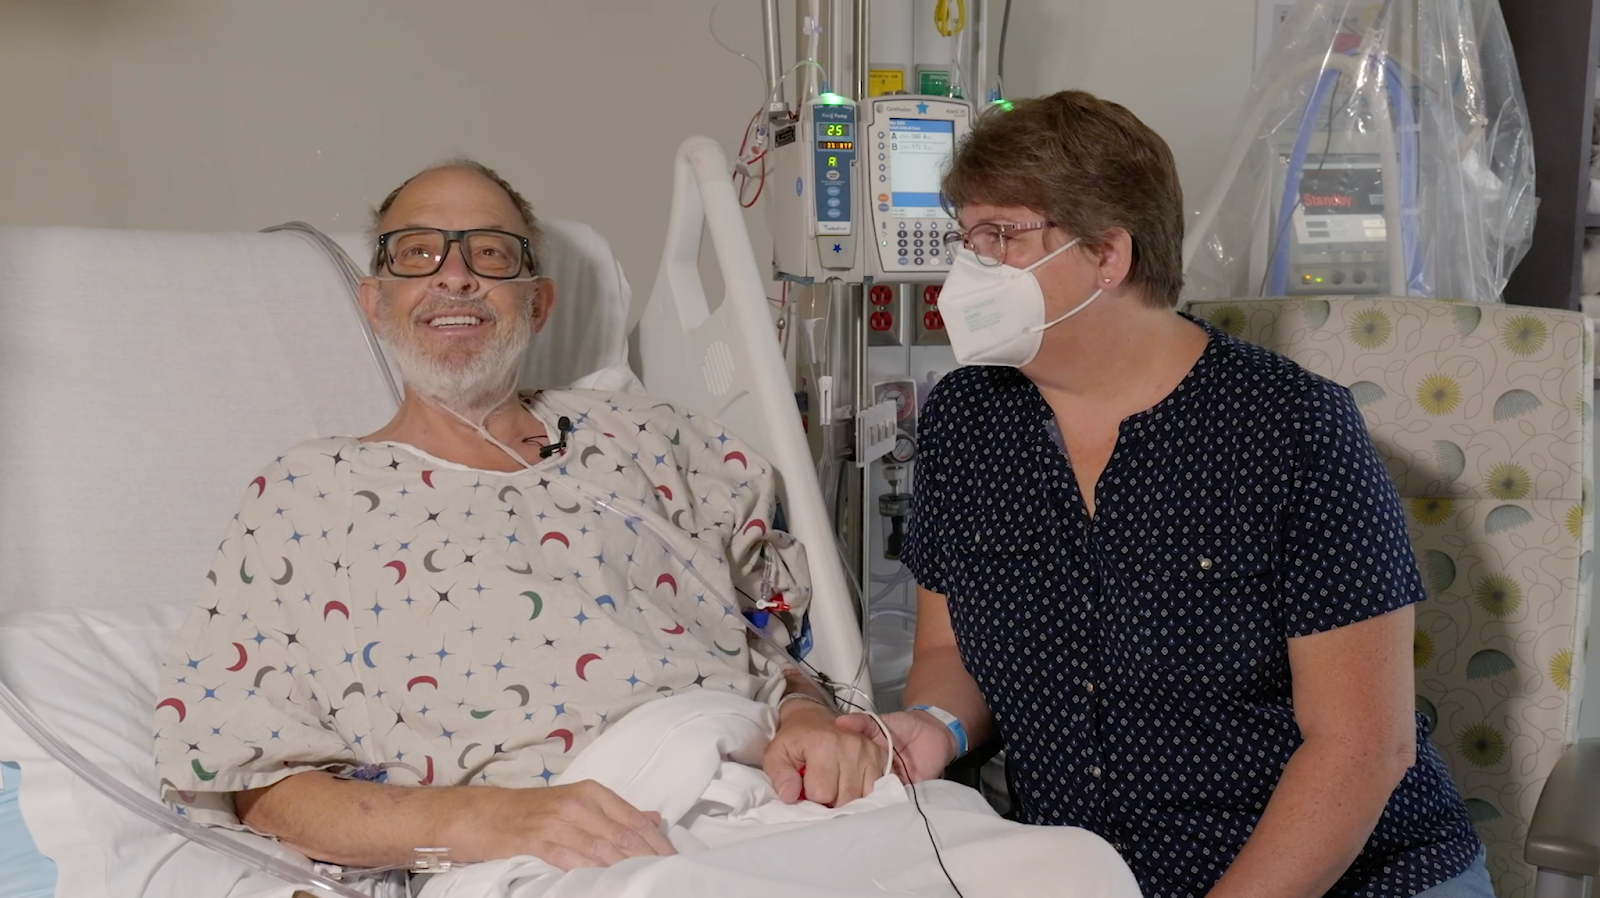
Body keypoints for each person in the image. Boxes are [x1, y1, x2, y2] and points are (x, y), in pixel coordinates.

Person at [830, 91, 1488, 898]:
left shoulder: (1292, 428)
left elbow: (1363, 748)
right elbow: (946, 651)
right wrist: (933, 726)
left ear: (1108, 255)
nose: (968, 267)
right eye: (967, 237)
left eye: (1000, 236)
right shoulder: (969, 418)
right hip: (1087, 875)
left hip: (1351, 875)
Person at [150, 159, 885, 873]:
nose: (455, 273)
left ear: (538, 303)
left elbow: (776, 636)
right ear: (374, 303)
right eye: (418, 253)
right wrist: (487, 819)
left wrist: (808, 717)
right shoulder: (309, 494)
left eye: (492, 253)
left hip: (776, 793)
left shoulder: (652, 438)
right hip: (563, 856)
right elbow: (258, 788)